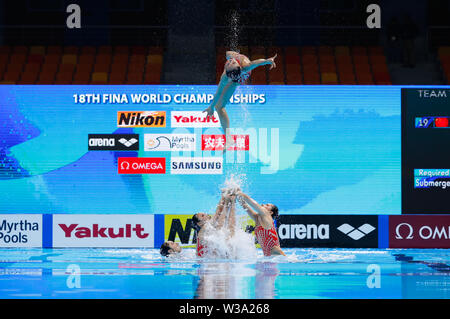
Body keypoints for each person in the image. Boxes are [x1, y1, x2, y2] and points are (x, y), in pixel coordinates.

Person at [203, 50, 277, 150]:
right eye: (229, 62)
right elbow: (218, 92)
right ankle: (228, 139)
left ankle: (229, 139)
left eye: (232, 62)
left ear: (239, 66)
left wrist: (268, 60)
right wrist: (211, 107)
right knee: (218, 106)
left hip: (241, 76)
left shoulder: (246, 66)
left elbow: (257, 62)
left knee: (220, 105)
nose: (231, 61)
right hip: (234, 77)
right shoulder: (225, 76)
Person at [237, 191, 285, 256]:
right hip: (267, 256)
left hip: (276, 253)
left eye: (267, 205)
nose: (263, 204)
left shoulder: (267, 215)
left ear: (270, 212)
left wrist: (239, 192)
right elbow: (244, 205)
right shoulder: (257, 218)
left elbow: (251, 202)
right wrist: (236, 196)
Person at [192, 189, 237, 257]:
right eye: (202, 216)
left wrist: (224, 197)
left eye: (204, 213)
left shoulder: (205, 229)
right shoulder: (204, 229)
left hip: (207, 259)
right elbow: (219, 217)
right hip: (206, 262)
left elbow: (218, 211)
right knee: (229, 232)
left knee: (227, 234)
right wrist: (226, 201)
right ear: (199, 223)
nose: (206, 215)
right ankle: (233, 202)